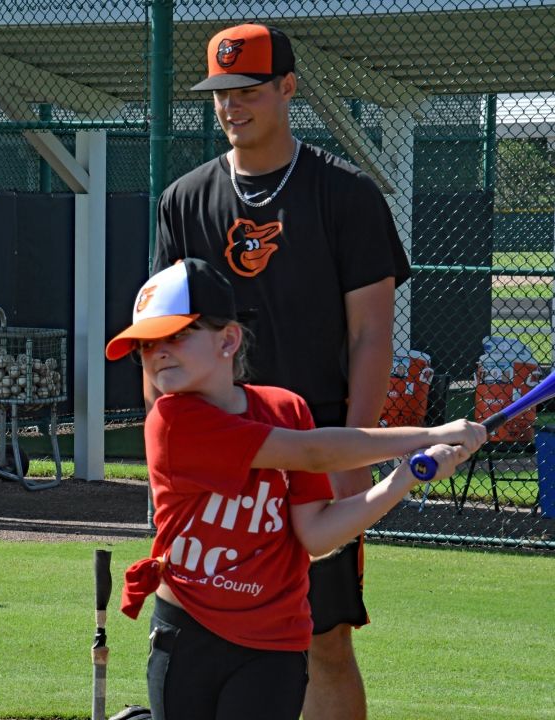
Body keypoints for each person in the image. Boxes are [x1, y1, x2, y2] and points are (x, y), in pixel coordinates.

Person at [151, 23, 412, 719]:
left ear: (288, 88)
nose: (232, 105)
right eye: (220, 93)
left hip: (313, 456)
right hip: (220, 465)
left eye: (249, 90)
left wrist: (355, 450)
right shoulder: (183, 200)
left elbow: (372, 336)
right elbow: (162, 339)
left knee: (323, 641)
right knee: (205, 635)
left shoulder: (347, 195)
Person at [106, 259, 484, 720]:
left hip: (274, 641)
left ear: (228, 339)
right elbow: (313, 454)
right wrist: (428, 434)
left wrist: (404, 477)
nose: (158, 352)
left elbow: (318, 536)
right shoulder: (172, 421)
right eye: (145, 344)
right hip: (189, 630)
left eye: (176, 335)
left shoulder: (286, 408)